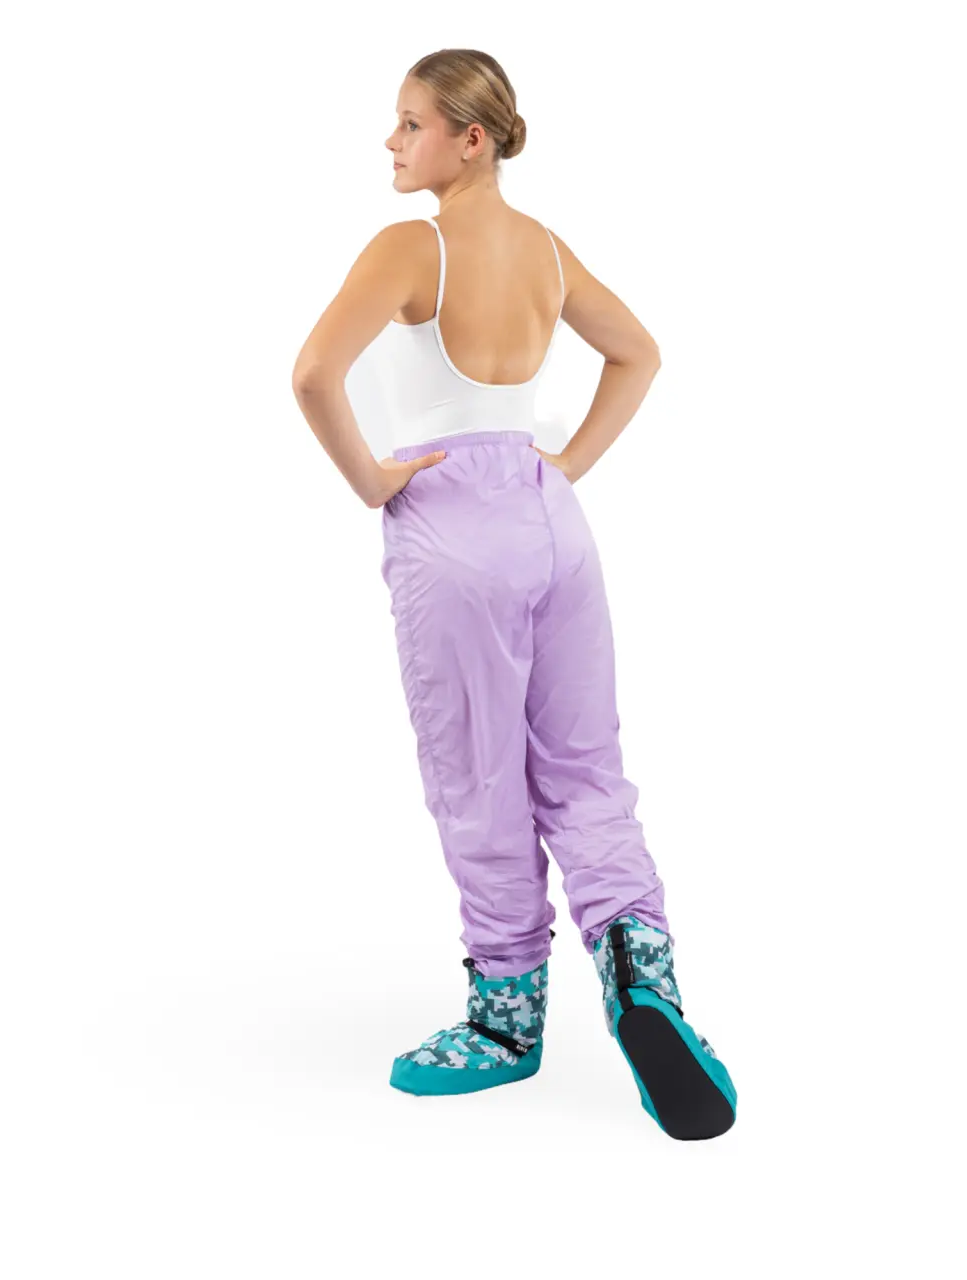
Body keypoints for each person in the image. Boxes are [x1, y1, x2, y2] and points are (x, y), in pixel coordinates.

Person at [292, 49, 736, 1140]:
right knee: (586, 768)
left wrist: (372, 482)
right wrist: (564, 465)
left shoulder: (412, 245)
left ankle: (504, 1019)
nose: (392, 142)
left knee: (479, 774)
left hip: (450, 531)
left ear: (470, 138)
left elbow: (311, 373)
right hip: (554, 526)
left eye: (410, 123)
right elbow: (638, 353)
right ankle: (642, 976)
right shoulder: (543, 248)